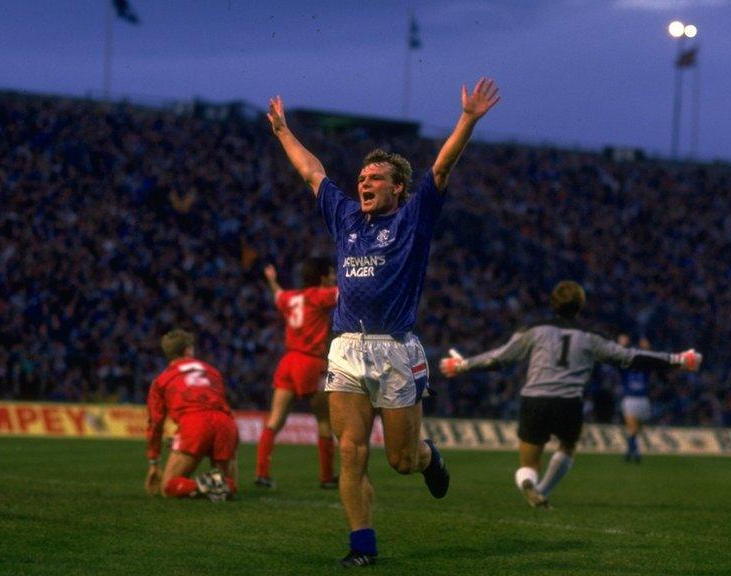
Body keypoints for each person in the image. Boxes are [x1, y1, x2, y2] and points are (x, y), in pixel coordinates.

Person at [267, 77, 500, 567]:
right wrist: (284, 132)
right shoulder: (347, 219)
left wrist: (468, 119)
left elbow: (442, 167)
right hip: (346, 349)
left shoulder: (414, 219)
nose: (364, 184)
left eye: (374, 179)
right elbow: (313, 173)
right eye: (362, 179)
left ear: (397, 187)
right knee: (350, 452)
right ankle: (362, 547)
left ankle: (428, 456)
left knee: (401, 461)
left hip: (397, 351)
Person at [439, 280, 701, 508]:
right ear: (580, 306)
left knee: (529, 463)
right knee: (567, 447)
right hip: (569, 403)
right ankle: (543, 491)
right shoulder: (591, 337)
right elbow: (630, 358)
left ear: (553, 304)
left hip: (534, 401)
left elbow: (499, 358)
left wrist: (462, 365)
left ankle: (530, 483)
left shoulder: (533, 330)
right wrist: (677, 359)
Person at [255, 260, 339, 490]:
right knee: (324, 420)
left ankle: (262, 473)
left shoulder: (291, 297)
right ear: (322, 278)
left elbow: (278, 294)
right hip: (311, 362)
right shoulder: (321, 296)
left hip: (288, 361)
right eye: (331, 273)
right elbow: (349, 291)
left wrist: (271, 280)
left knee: (275, 418)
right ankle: (327, 477)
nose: (334, 277)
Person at [144, 329, 239, 501]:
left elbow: (155, 423)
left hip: (194, 424)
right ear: (188, 350)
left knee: (168, 486)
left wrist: (153, 463)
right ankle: (227, 485)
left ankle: (196, 486)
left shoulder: (161, 380)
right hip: (226, 423)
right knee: (226, 485)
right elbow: (220, 407)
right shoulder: (213, 371)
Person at [617, 333, 653, 463]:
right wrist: (622, 345)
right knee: (632, 428)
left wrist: (647, 349)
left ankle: (630, 449)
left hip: (640, 399)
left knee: (636, 429)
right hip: (632, 399)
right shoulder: (626, 369)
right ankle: (635, 452)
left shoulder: (644, 368)